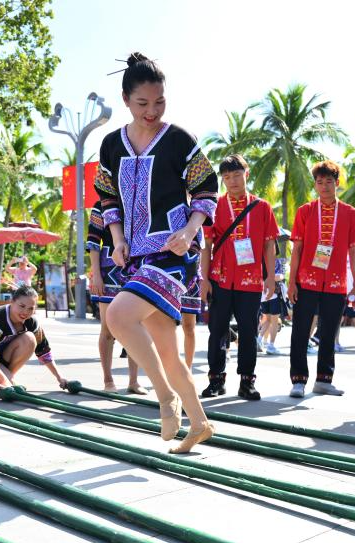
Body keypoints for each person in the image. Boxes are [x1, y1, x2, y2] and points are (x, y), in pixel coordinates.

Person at [94, 52, 219, 454]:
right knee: (165, 347)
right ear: (126, 99)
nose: (152, 111)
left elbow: (206, 191)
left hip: (172, 253)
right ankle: (199, 422)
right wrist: (117, 239)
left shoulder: (180, 140)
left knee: (117, 316)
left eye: (160, 101)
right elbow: (107, 198)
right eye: (143, 103)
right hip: (135, 257)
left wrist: (189, 230)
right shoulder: (111, 144)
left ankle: (166, 398)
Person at [199, 154, 277, 400]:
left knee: (248, 331)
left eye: (236, 175)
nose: (232, 181)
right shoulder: (216, 206)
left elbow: (269, 245)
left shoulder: (262, 207)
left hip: (251, 280)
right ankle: (216, 379)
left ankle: (247, 381)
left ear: (247, 174)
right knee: (217, 330)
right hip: (220, 278)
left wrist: (271, 277)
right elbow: (207, 245)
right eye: (226, 177)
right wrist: (204, 278)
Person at [287, 160, 355, 398]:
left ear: (337, 183)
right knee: (300, 331)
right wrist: (292, 283)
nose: (324, 187)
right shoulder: (305, 211)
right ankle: (298, 380)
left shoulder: (350, 214)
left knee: (329, 331)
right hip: (306, 280)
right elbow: (297, 250)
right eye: (319, 182)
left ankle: (324, 380)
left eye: (329, 182)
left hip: (336, 282)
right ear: (315, 185)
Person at [87, 202, 146, 394]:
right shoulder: (100, 205)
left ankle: (134, 381)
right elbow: (93, 242)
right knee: (107, 328)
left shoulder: (139, 198)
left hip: (137, 268)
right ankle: (108, 380)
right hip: (109, 270)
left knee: (136, 326)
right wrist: (96, 274)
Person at [0, 284, 67, 391]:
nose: (25, 312)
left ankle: (5, 378)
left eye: (30, 309)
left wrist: (59, 377)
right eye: (22, 306)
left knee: (29, 338)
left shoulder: (32, 322)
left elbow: (44, 351)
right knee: (9, 385)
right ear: (12, 301)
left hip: (0, 361)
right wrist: (5, 381)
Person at [258, 246, 288, 355]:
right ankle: (271, 345)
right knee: (274, 320)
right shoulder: (277, 261)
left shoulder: (260, 260)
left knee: (268, 319)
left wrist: (268, 277)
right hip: (273, 294)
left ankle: (259, 340)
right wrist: (273, 277)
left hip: (262, 295)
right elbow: (280, 276)